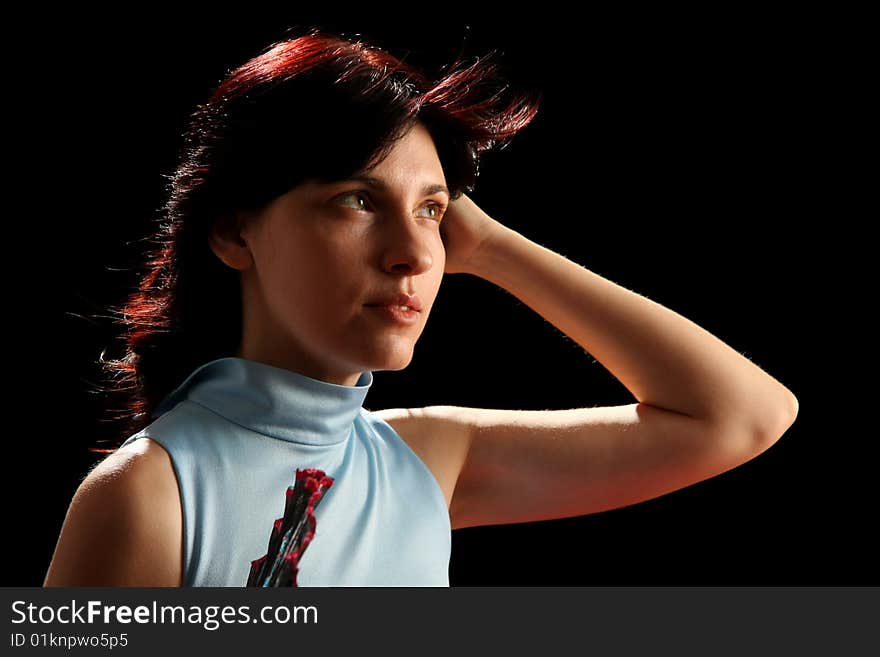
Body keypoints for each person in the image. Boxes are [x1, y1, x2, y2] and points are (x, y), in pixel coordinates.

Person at [44, 26, 798, 587]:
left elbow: (742, 416)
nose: (413, 253)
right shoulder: (147, 493)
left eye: (433, 211)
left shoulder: (426, 461)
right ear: (237, 231)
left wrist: (494, 249)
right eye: (358, 200)